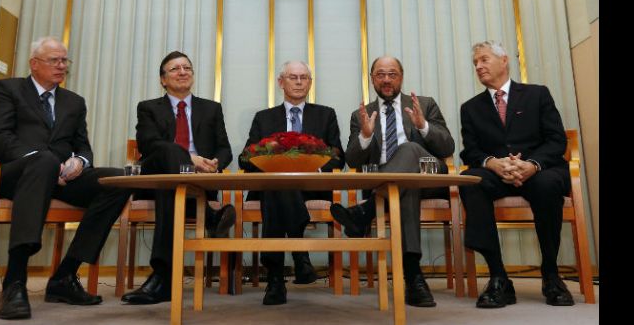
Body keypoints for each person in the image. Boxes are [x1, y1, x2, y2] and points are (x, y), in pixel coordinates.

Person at [0, 36, 132, 320]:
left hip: (59, 177)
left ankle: (65, 275)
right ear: (34, 64)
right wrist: (42, 161)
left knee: (118, 180)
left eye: (65, 61)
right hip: (11, 173)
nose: (62, 66)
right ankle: (14, 281)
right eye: (55, 60)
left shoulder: (74, 102)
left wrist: (78, 162)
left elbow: (83, 146)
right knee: (44, 160)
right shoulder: (8, 89)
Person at [329, 56, 454, 307]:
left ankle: (365, 210)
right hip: (394, 183)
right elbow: (352, 160)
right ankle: (413, 275)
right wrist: (365, 136)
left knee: (408, 150)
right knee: (403, 187)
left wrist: (423, 126)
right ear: (372, 78)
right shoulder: (361, 114)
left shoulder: (424, 105)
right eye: (380, 74)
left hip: (428, 175)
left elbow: (447, 146)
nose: (386, 79)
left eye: (392, 74)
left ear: (401, 76)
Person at [458, 41, 574, 308]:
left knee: (548, 184)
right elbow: (471, 151)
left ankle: (551, 274)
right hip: (496, 175)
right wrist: (492, 163)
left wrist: (532, 164)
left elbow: (556, 141)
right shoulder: (470, 108)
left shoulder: (538, 94)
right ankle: (499, 277)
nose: (478, 66)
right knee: (471, 182)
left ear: (504, 60)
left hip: (538, 171)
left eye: (484, 60)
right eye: (475, 63)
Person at [121, 51, 236, 305]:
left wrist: (215, 164)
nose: (182, 72)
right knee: (168, 153)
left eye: (187, 68)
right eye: (175, 69)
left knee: (171, 185)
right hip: (155, 177)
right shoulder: (148, 107)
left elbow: (224, 148)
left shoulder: (211, 108)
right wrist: (191, 158)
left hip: (198, 181)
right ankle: (212, 215)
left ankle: (162, 275)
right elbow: (148, 144)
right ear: (163, 79)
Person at [238, 61, 346, 305]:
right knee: (279, 184)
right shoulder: (263, 118)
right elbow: (245, 158)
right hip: (270, 190)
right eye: (293, 77)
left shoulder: (325, 114)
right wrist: (275, 164)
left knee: (280, 188)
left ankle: (276, 279)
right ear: (280, 82)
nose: (298, 82)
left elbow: (338, 155)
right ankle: (299, 254)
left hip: (312, 188)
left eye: (304, 77)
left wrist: (312, 167)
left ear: (310, 82)